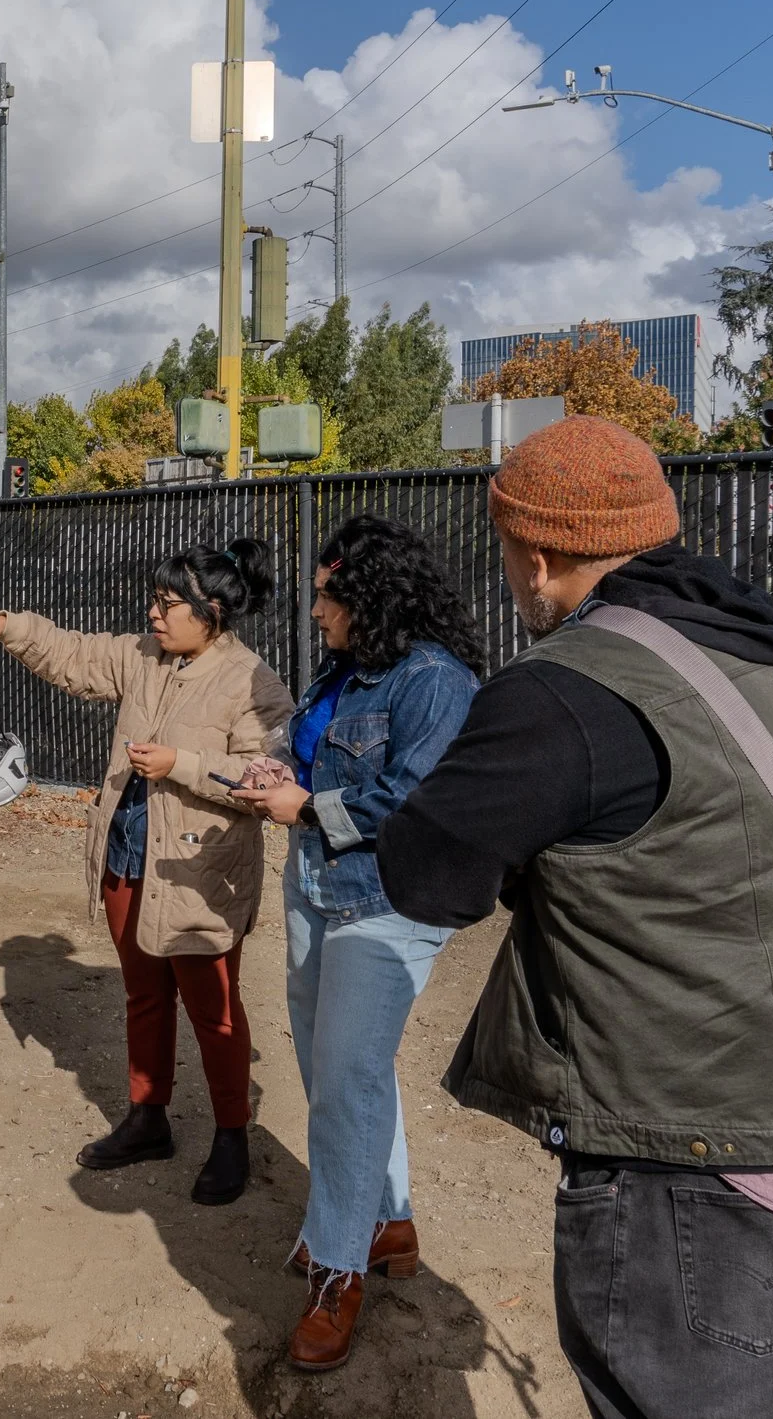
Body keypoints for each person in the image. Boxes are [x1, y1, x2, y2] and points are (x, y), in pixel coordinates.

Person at [375, 417, 773, 1419]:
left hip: (692, 1183)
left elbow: (428, 873)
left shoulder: (562, 689)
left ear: (534, 549)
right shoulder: (755, 653)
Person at [0, 538, 293, 1206]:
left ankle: (232, 1134)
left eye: (169, 604)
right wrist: (11, 628)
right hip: (128, 856)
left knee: (215, 1010)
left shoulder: (252, 681)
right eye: (157, 602)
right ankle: (148, 1117)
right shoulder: (144, 655)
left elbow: (268, 777)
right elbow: (76, 655)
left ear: (213, 610)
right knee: (143, 993)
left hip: (199, 870)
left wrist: (182, 764)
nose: (155, 614)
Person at [226, 515, 482, 1372]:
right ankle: (389, 1221)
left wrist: (309, 810)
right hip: (314, 886)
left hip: (385, 901)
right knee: (343, 1072)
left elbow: (417, 801)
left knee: (345, 1080)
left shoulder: (434, 681)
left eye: (326, 596)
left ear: (369, 596)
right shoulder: (347, 666)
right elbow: (315, 756)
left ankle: (337, 1268)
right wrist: (281, 776)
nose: (314, 612)